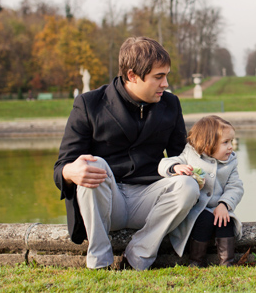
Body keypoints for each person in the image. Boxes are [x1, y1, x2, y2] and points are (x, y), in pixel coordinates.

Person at [53, 37, 199, 270]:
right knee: (94, 165)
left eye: (166, 76)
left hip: (151, 201)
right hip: (106, 203)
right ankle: (99, 262)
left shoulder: (171, 104)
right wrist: (72, 171)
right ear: (132, 75)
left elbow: (182, 158)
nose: (165, 84)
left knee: (189, 185)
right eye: (158, 77)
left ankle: (137, 257)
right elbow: (61, 167)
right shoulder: (89, 104)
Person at [158, 115, 244, 267]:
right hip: (197, 209)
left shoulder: (230, 161)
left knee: (226, 222)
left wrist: (224, 204)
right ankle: (196, 261)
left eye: (231, 141)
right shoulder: (190, 155)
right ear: (206, 144)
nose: (230, 146)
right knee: (203, 221)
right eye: (225, 142)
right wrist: (176, 167)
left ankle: (227, 262)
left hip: (219, 207)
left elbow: (235, 186)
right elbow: (165, 163)